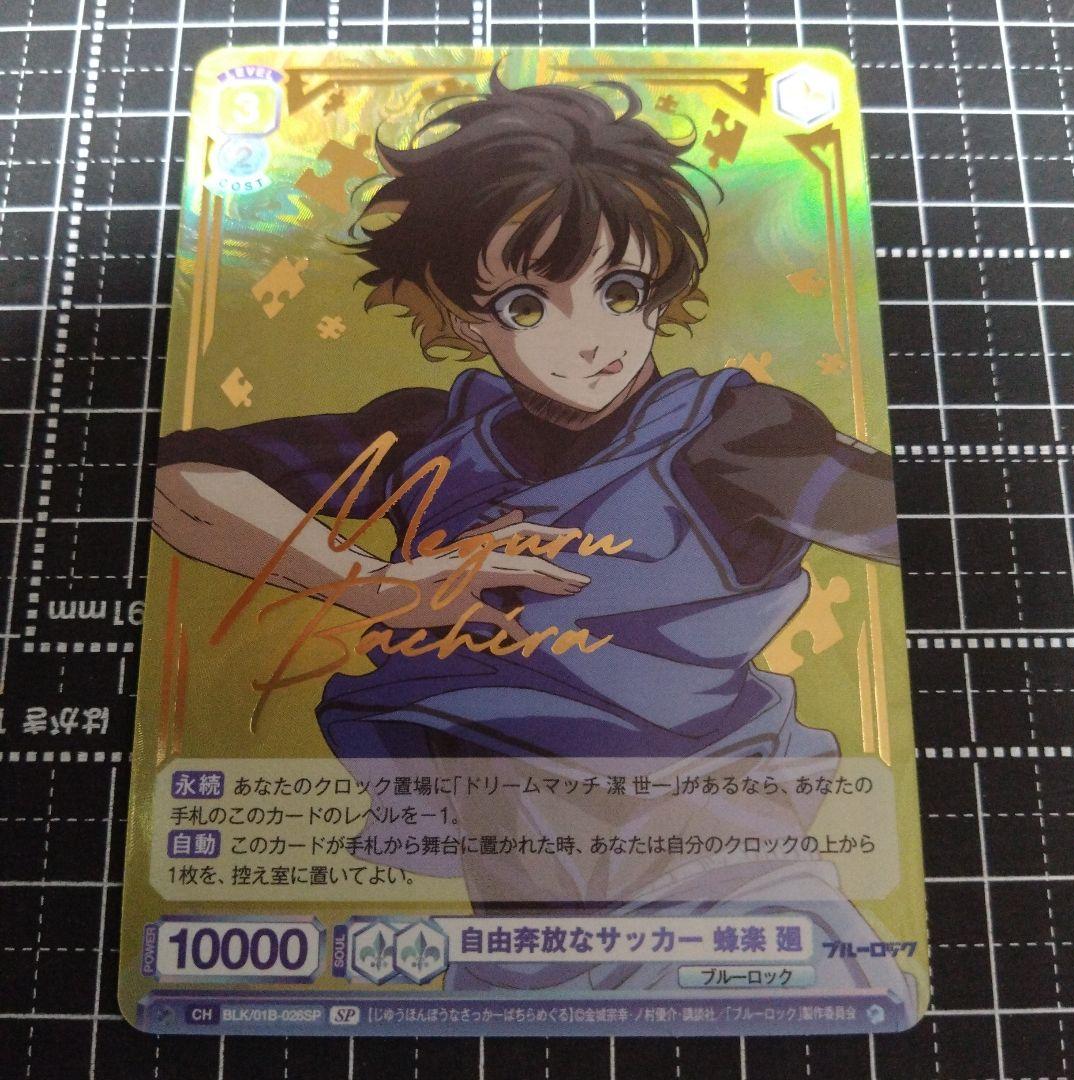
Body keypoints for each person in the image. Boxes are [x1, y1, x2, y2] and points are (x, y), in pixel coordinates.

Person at [154, 69, 914, 1015]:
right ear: (461, 315)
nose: (588, 336)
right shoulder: (432, 439)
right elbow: (180, 481)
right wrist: (372, 584)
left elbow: (925, 524)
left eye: (620, 289)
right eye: (526, 304)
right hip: (520, 938)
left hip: (729, 898)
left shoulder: (731, 437)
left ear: (662, 286)